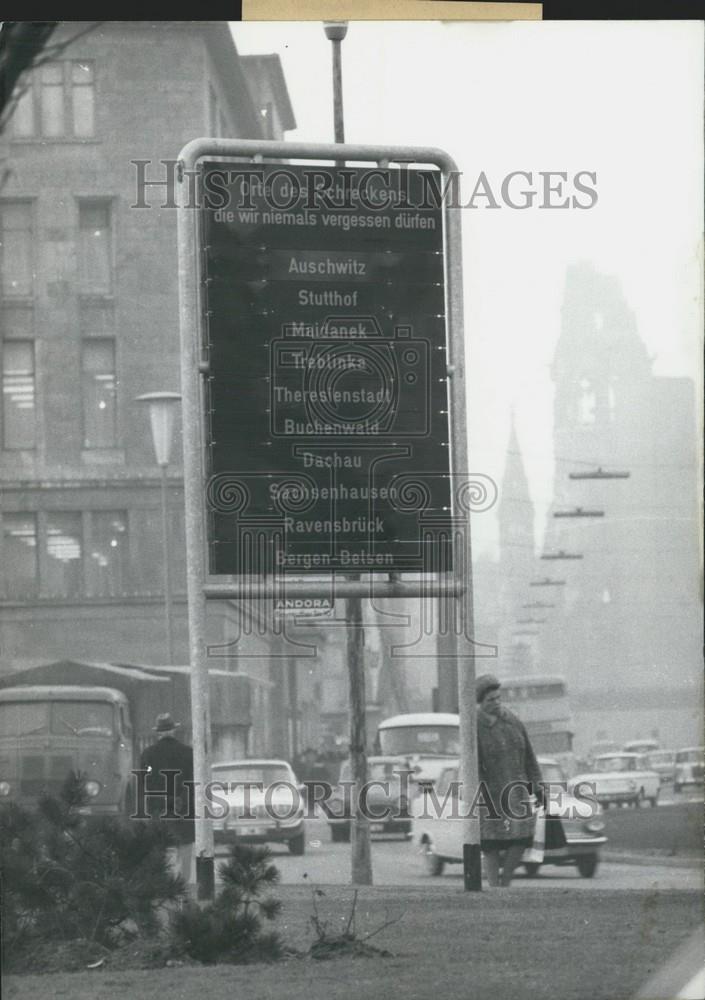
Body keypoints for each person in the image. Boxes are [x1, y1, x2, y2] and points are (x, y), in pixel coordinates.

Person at [476, 674, 543, 888]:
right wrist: (479, 794)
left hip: (517, 792)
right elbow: (471, 764)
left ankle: (505, 882)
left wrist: (537, 786)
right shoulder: (475, 726)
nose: (496, 703)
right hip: (490, 794)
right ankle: (495, 886)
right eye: (490, 700)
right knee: (491, 843)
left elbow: (529, 757)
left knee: (522, 838)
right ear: (481, 703)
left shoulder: (513, 721)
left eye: (498, 698)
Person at [140, 713, 195, 888]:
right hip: (183, 810)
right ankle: (182, 886)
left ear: (158, 733)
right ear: (173, 731)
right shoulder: (188, 753)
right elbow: (192, 783)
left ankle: (163, 887)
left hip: (159, 811)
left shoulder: (148, 755)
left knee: (160, 850)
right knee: (185, 850)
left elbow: (144, 783)